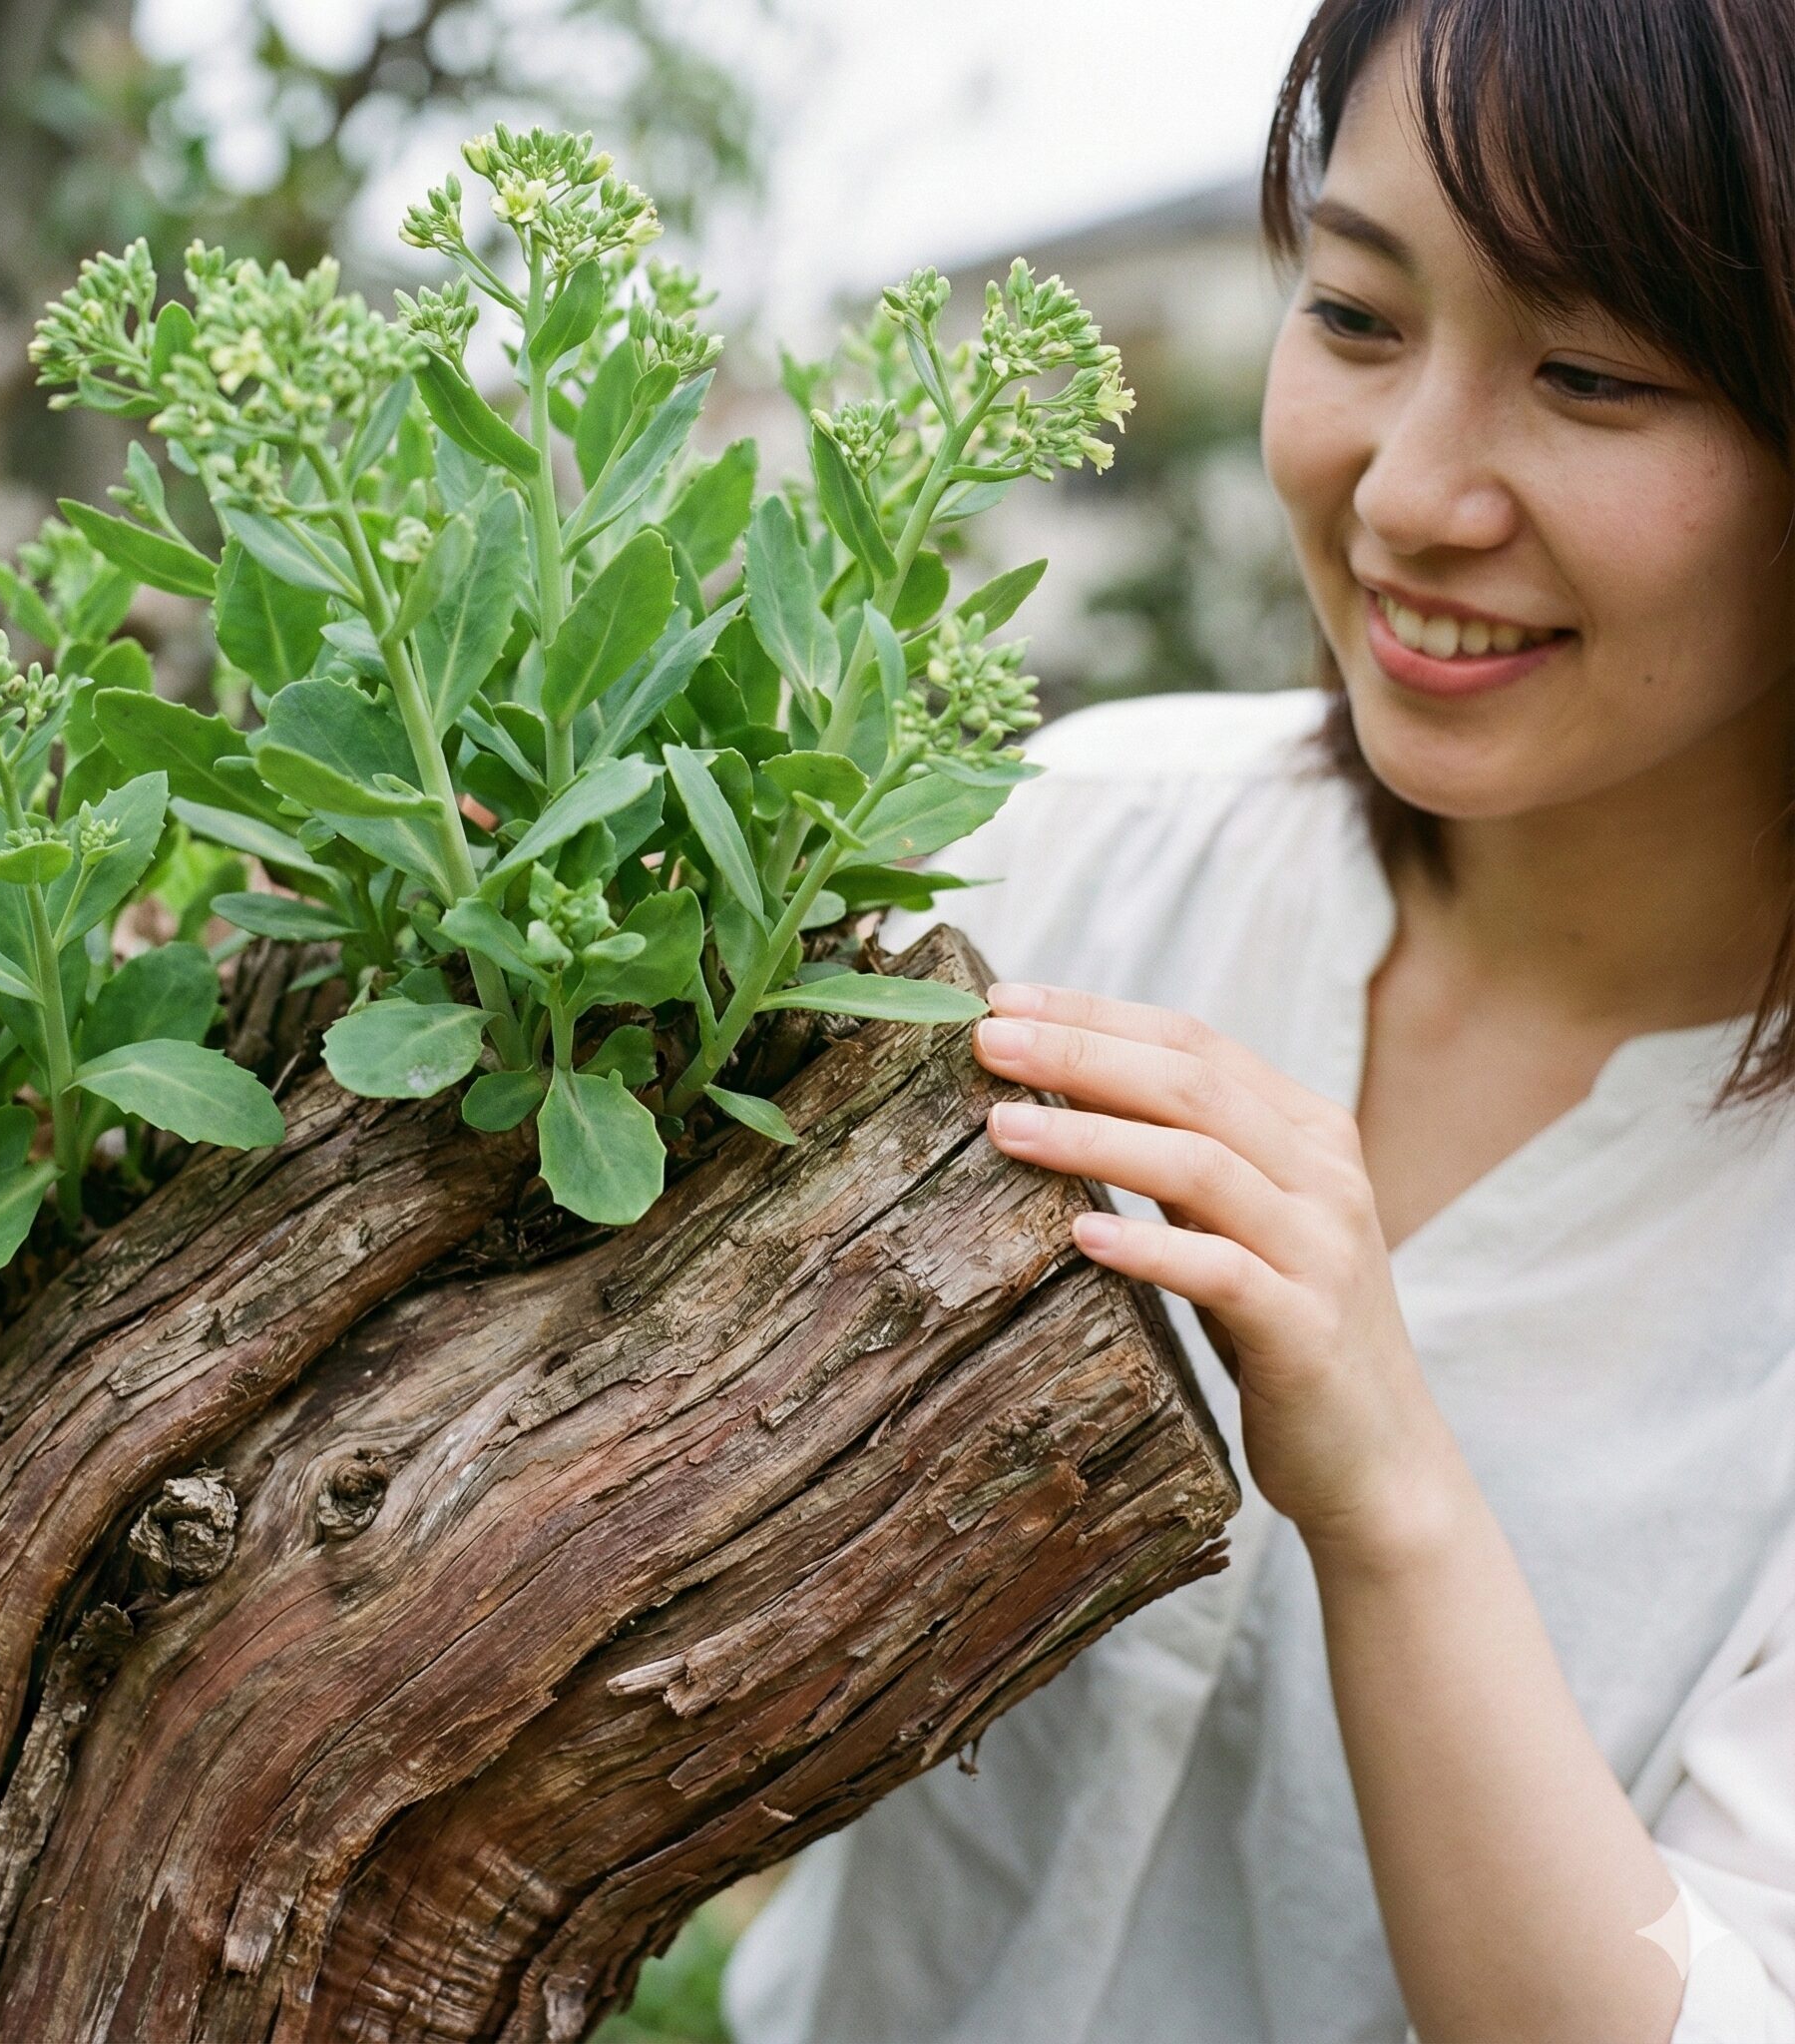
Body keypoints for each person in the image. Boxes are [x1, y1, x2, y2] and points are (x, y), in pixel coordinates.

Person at [720, 1, 1795, 2039]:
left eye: (1586, 373)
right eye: (1358, 315)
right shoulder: (1062, 860)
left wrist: (1387, 1499)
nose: (1405, 493)